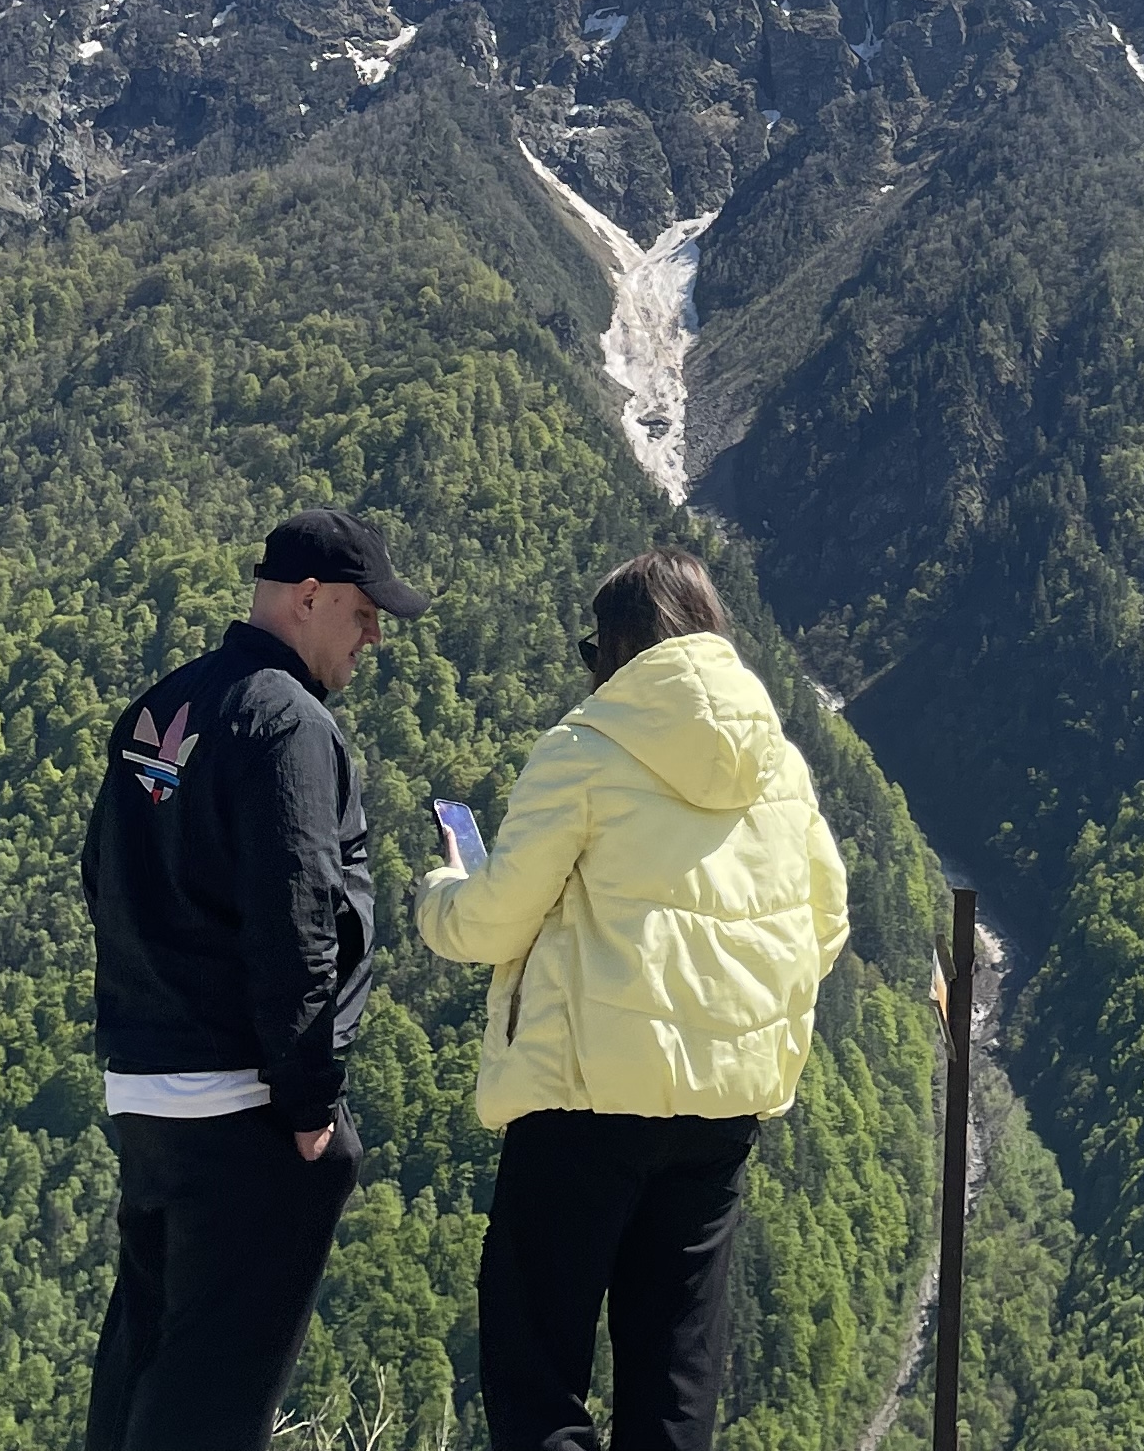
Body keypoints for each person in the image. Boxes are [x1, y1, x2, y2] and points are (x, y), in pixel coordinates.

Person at [419, 552, 851, 1451]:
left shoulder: (585, 749)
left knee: (538, 1375)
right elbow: (829, 922)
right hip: (722, 1108)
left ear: (617, 647)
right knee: (675, 1381)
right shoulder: (781, 765)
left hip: (586, 1100)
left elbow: (495, 924)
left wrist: (438, 893)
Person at [82, 507, 430, 1451]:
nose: (374, 637)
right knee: (215, 1401)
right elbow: (301, 911)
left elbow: (105, 879)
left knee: (147, 1361)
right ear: (309, 599)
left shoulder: (165, 708)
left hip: (147, 1089)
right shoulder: (289, 724)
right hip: (245, 1103)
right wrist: (311, 1102)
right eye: (363, 613)